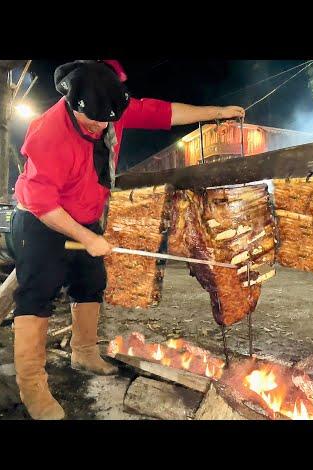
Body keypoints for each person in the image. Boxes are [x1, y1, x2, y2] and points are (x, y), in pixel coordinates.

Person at [12, 60, 245, 420]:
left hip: (85, 217)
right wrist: (86, 238)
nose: (103, 127)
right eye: (95, 120)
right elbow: (42, 203)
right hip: (42, 221)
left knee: (91, 284)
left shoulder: (109, 108)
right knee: (36, 295)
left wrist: (217, 113)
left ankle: (84, 351)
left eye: (109, 120)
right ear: (74, 104)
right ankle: (32, 386)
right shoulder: (48, 133)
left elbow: (164, 113)